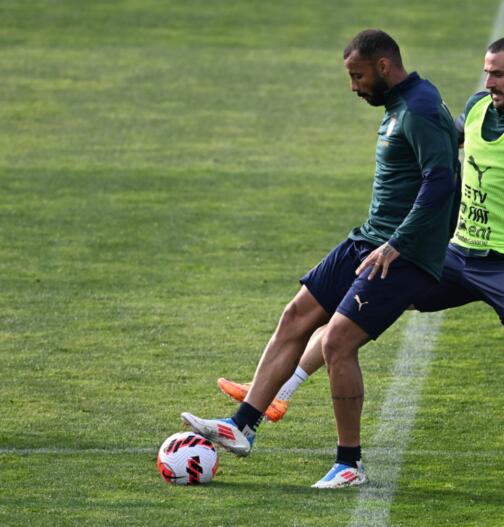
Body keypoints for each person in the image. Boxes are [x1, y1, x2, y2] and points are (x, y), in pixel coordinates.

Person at [217, 33, 504, 472]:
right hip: (456, 252)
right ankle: (275, 395)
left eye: (498, 73)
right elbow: (451, 136)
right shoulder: (480, 106)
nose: (489, 80)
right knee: (357, 306)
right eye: (487, 71)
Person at [181, 29, 460, 489]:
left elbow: (440, 182)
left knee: (337, 344)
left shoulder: (420, 108)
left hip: (399, 255)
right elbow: (448, 145)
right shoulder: (407, 105)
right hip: (369, 239)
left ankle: (349, 464)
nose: (353, 87)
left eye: (358, 76)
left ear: (384, 67)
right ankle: (242, 424)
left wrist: (399, 244)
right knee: (296, 316)